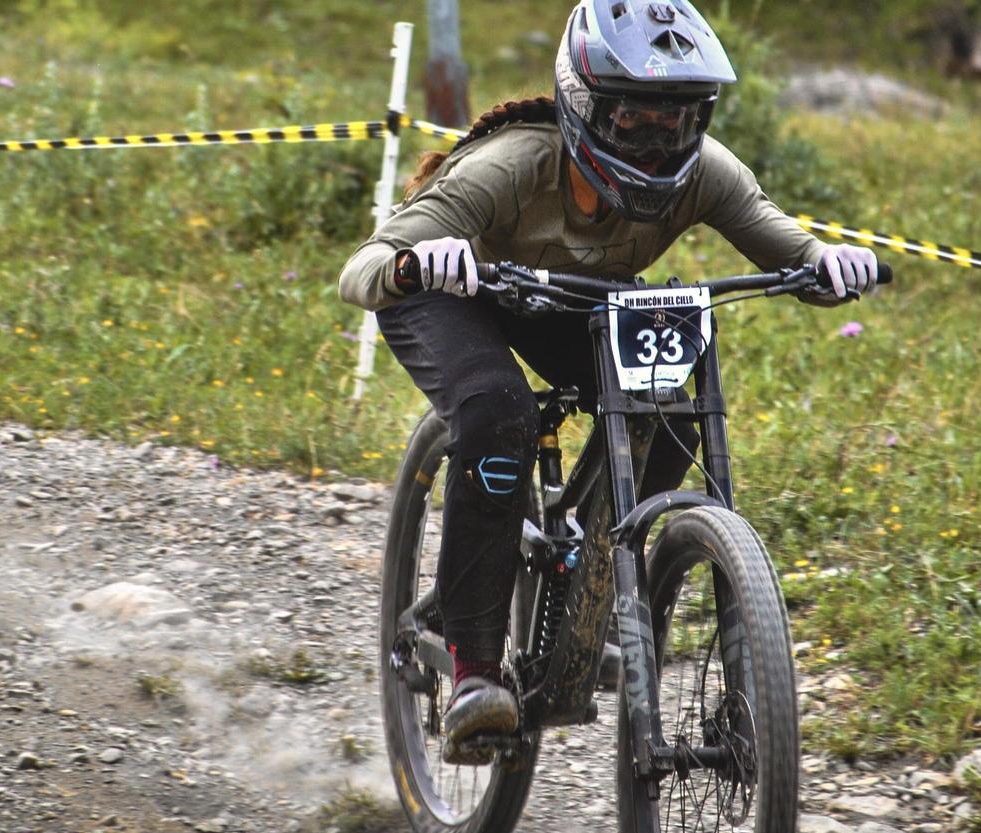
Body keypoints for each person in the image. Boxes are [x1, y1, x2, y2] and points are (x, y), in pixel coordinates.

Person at [339, 0, 877, 765]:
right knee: (499, 412)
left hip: (569, 301)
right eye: (634, 122)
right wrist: (413, 263)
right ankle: (473, 671)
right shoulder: (511, 168)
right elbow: (361, 270)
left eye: (680, 121)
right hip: (450, 292)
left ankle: (588, 569)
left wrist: (828, 264)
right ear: (585, 108)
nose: (660, 143)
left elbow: (785, 243)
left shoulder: (708, 175)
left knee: (670, 406)